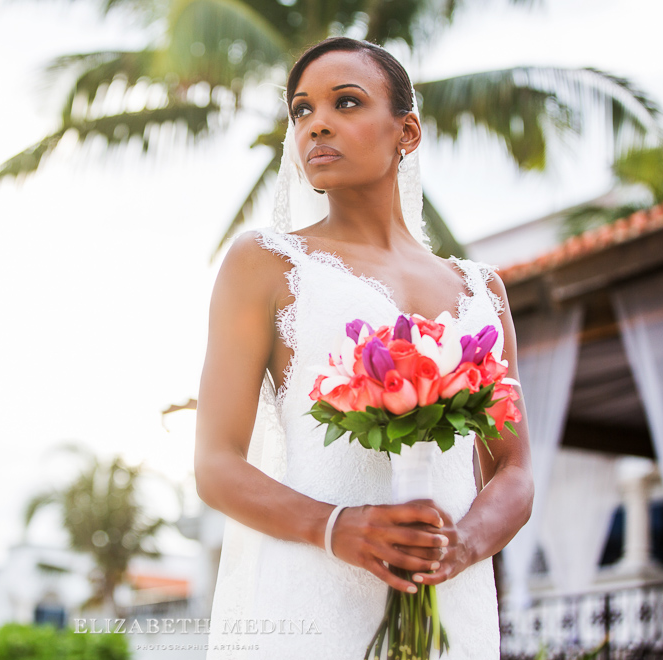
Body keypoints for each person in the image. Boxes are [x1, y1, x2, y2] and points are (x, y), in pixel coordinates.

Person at [193, 37, 533, 659]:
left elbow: (513, 469)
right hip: (314, 593)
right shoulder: (265, 263)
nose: (316, 123)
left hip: (452, 602)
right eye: (301, 111)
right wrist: (335, 527)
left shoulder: (482, 290)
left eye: (345, 102)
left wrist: (462, 544)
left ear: (407, 132)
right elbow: (215, 465)